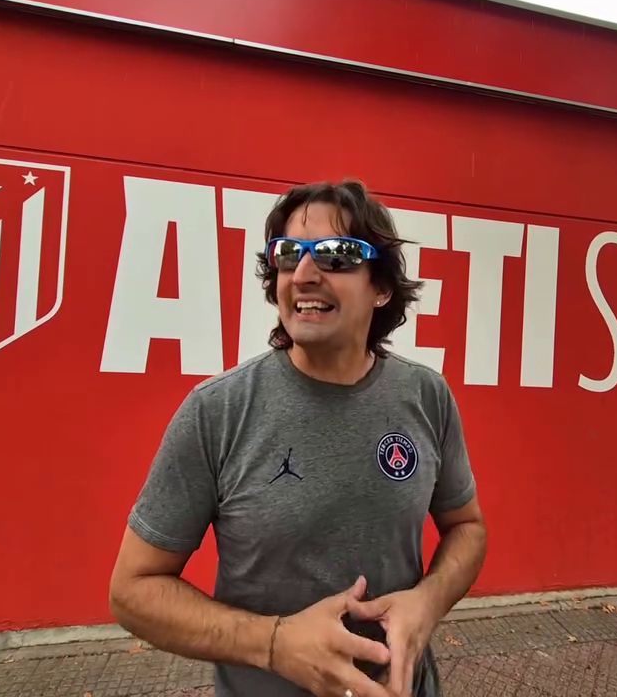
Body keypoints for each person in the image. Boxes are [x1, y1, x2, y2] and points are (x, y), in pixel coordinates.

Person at [108, 180, 487, 697]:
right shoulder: (218, 411)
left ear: (381, 287)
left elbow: (467, 527)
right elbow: (132, 590)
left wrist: (427, 602)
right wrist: (274, 644)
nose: (305, 274)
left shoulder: (426, 396)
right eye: (288, 254)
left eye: (337, 255)